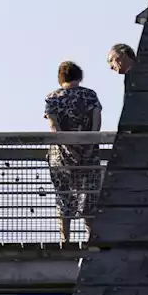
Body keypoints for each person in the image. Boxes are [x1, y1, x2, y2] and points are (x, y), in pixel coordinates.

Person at [44, 61, 103, 245]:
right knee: (89, 196)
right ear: (79, 75)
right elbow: (97, 121)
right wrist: (90, 143)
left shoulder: (52, 98)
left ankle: (65, 240)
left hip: (61, 156)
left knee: (64, 197)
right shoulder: (90, 95)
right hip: (89, 152)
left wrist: (67, 147)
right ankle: (90, 238)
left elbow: (53, 126)